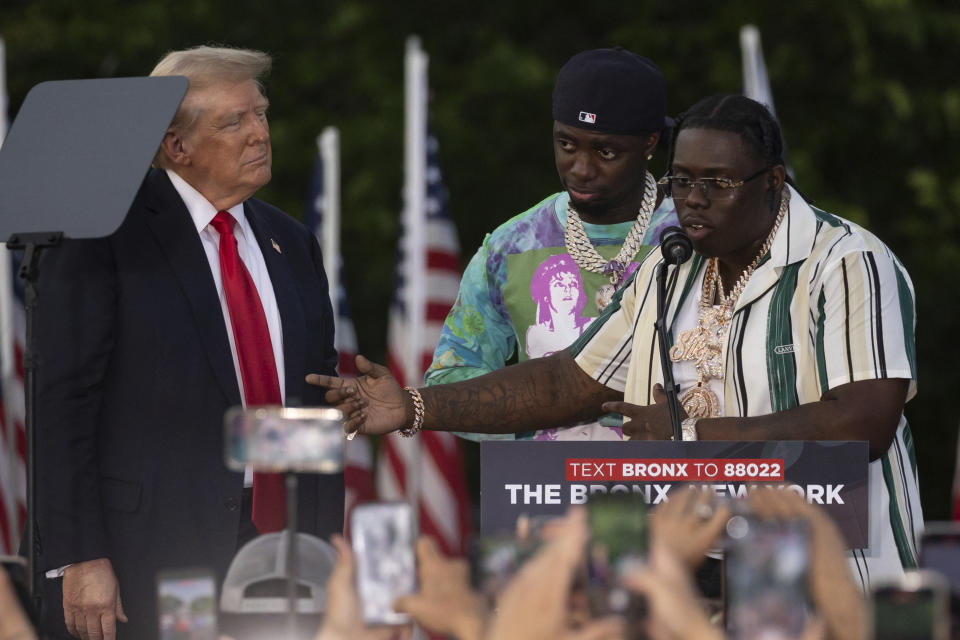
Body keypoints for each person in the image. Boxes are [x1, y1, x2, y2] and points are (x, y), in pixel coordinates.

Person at [310, 94, 922, 587]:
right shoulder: (670, 267)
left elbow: (861, 420)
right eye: (682, 181)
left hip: (834, 577)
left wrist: (687, 437)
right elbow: (567, 381)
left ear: (773, 183)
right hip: (695, 573)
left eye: (719, 182)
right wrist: (415, 406)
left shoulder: (845, 262)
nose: (694, 200)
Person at [33, 46, 343, 640]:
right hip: (151, 553)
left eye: (261, 114)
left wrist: (321, 540)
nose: (260, 134)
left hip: (278, 546)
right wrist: (80, 555)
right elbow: (62, 403)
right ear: (177, 146)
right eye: (234, 122)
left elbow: (309, 396)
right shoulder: (104, 234)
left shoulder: (291, 242)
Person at [425, 47, 676, 442]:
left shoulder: (693, 238)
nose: (580, 168)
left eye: (605, 151)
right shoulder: (511, 246)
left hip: (677, 489)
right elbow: (451, 377)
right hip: (544, 494)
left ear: (649, 142)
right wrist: (539, 424)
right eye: (567, 144)